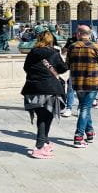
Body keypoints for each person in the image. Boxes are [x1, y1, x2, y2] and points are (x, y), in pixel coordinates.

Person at [21, 29, 68, 159]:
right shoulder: (54, 53)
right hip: (49, 89)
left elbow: (26, 68)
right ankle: (39, 147)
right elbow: (63, 68)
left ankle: (45, 142)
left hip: (32, 88)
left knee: (44, 116)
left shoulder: (32, 52)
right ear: (51, 40)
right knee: (44, 118)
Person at [66, 25, 98, 147]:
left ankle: (89, 132)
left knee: (84, 106)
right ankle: (78, 136)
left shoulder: (72, 47)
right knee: (85, 108)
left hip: (78, 82)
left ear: (78, 34)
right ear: (89, 34)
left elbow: (67, 65)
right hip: (92, 82)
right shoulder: (95, 47)